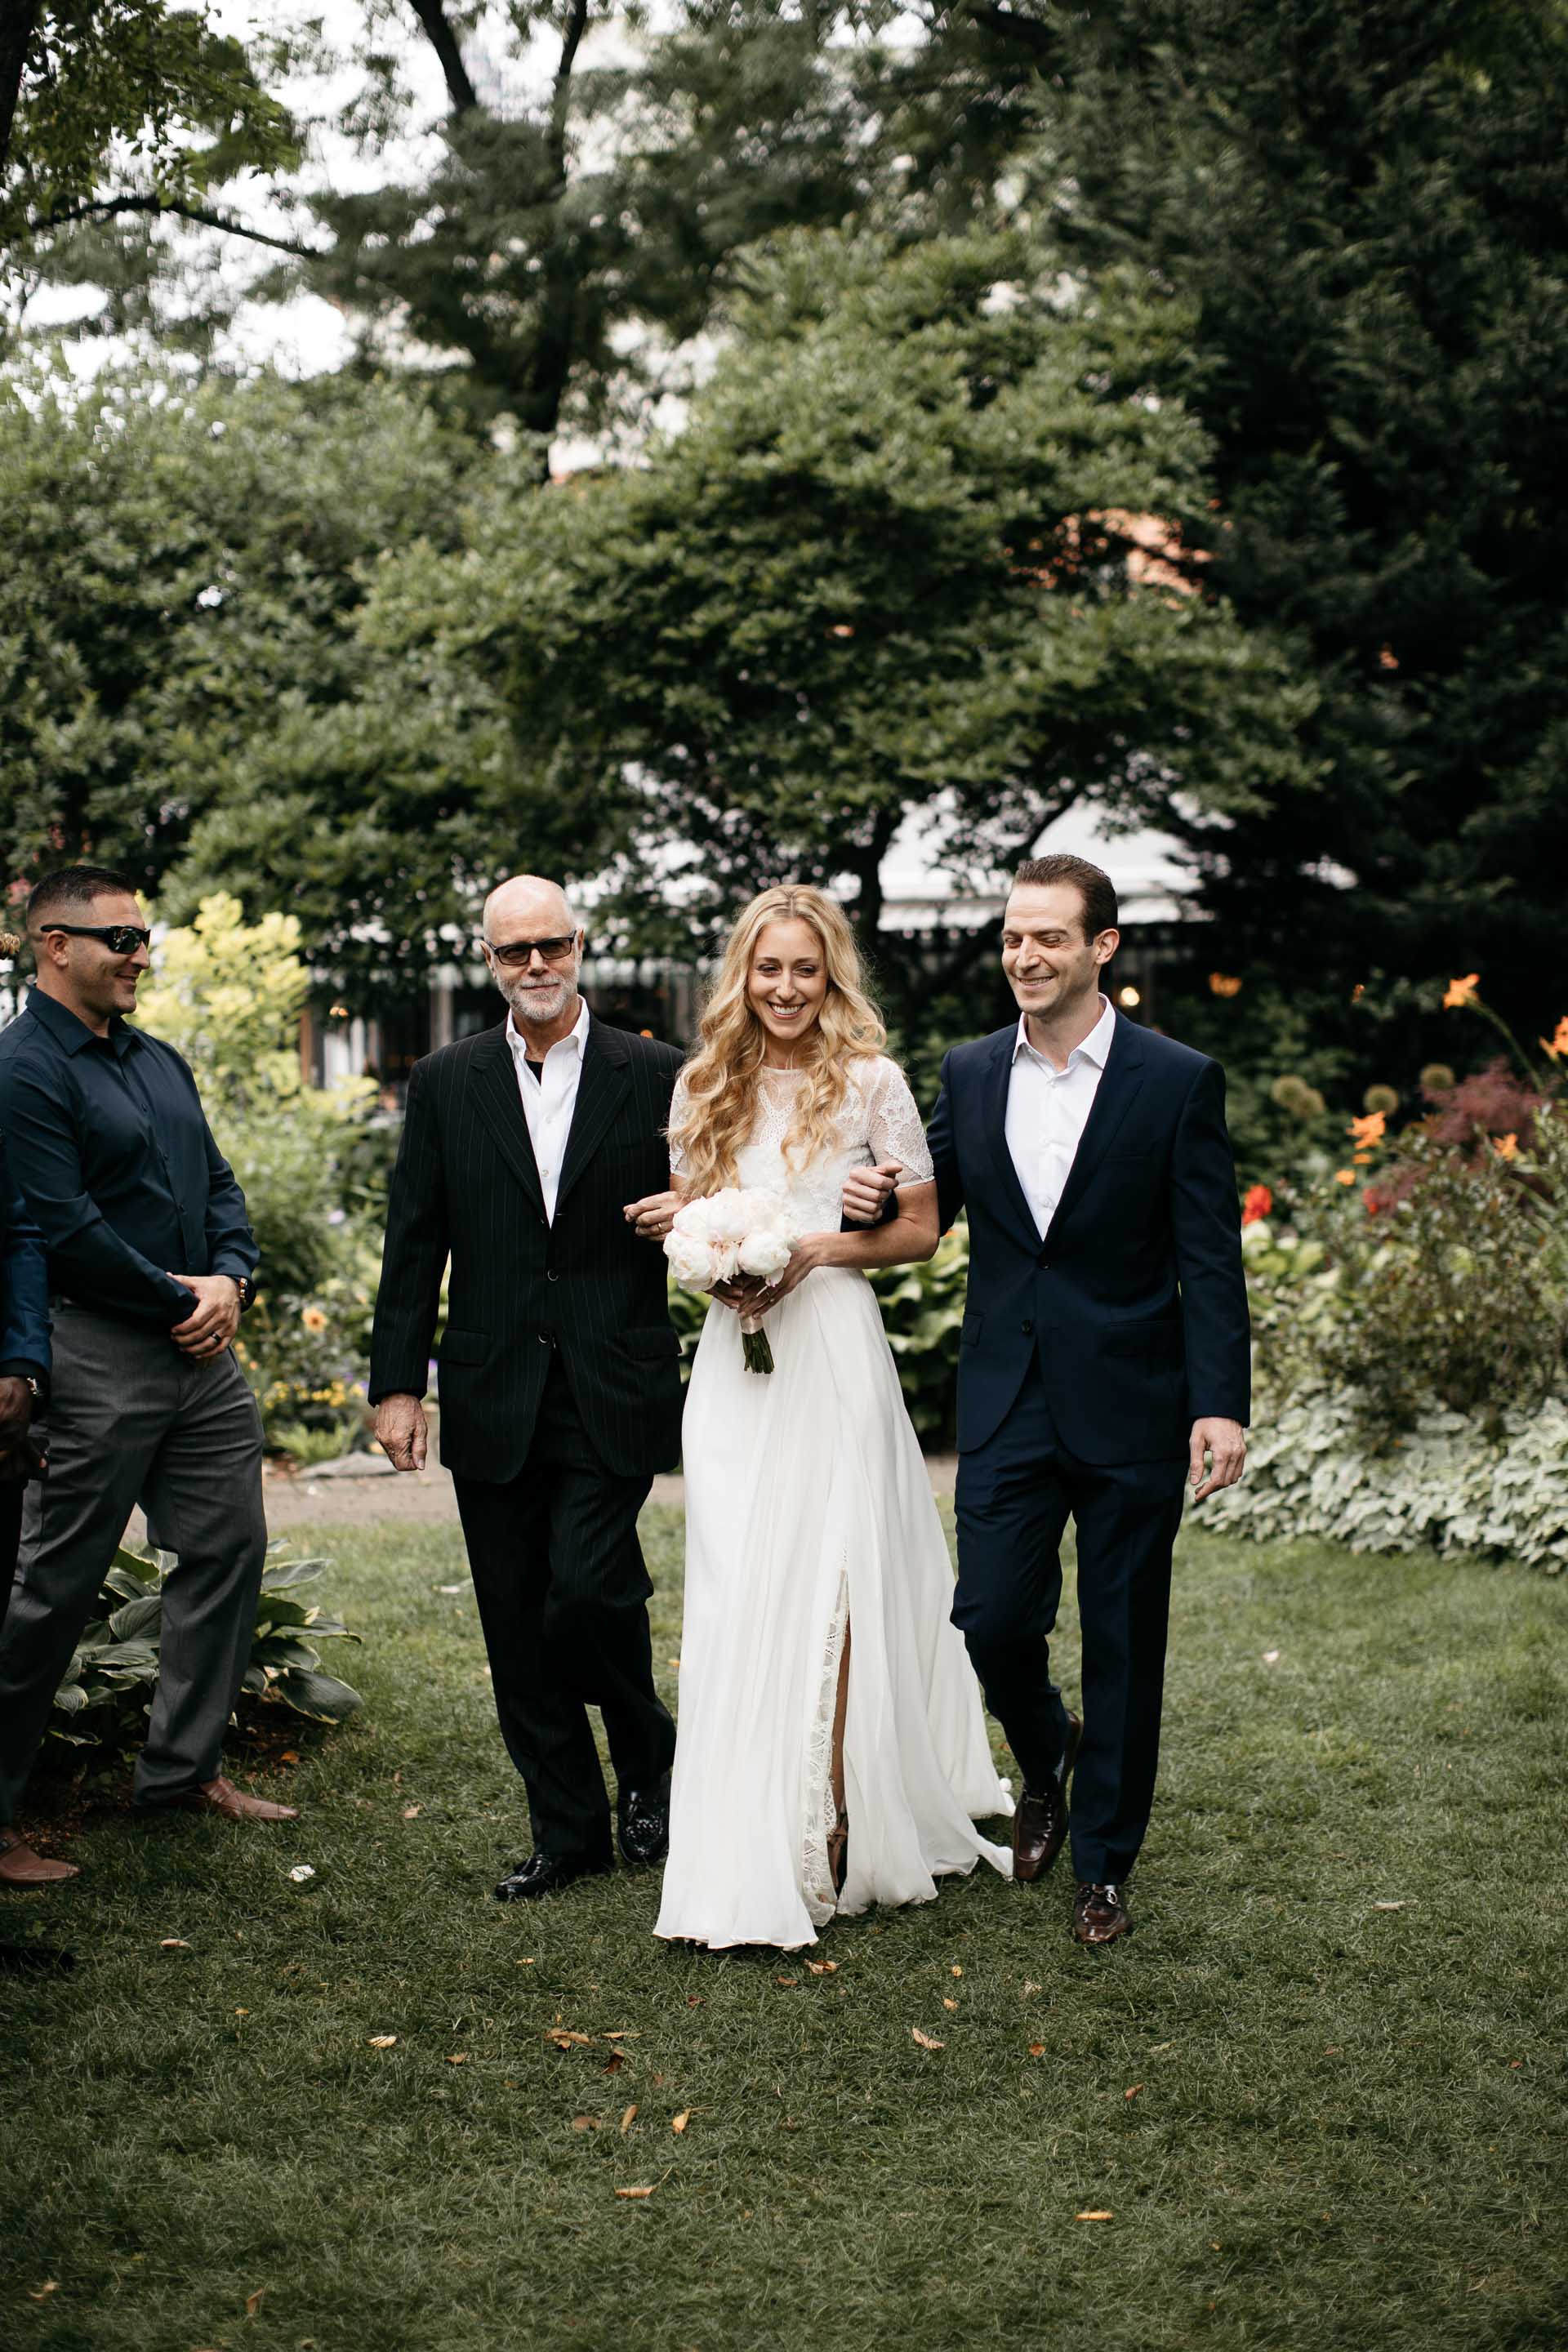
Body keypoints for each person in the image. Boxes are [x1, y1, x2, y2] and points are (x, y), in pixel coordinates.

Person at [844, 854, 1249, 1945]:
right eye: (1013, 937)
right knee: (990, 1617)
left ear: (1103, 948)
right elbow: (925, 1188)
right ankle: (1047, 1749)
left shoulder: (1176, 1079)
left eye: (1048, 938)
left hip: (1133, 1400)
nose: (1024, 956)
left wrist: (1222, 1404)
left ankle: (1105, 1865)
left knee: (1125, 1638)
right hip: (1009, 1395)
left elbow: (1210, 1258)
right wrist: (871, 1188)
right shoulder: (972, 1072)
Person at [629, 885, 1010, 1953]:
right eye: (768, 969)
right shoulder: (704, 1085)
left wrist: (817, 1250)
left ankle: (832, 1824)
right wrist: (721, 1276)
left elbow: (923, 1231)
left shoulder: (873, 1086)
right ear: (743, 978)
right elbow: (695, 1228)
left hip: (833, 1350)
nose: (787, 989)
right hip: (737, 1368)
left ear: (830, 974)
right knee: (745, 1587)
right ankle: (742, 1831)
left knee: (835, 1583)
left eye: (805, 969)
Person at [370, 876, 684, 1902]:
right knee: (514, 1619)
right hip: (493, 1384)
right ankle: (568, 1830)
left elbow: (729, 1195)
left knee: (588, 1592)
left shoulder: (659, 1074)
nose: (536, 966)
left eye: (552, 946)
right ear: (490, 960)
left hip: (612, 1376)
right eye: (515, 953)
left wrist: (696, 1208)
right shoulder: (446, 1080)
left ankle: (648, 1761)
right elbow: (414, 1241)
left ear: (582, 946)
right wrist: (396, 1389)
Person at [0, 866, 296, 1891]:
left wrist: (233, 1278)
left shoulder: (159, 1059)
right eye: (118, 938)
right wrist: (182, 1300)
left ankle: (180, 1772)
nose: (138, 954)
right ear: (53, 944)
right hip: (98, 1352)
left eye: (143, 936)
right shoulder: (23, 1070)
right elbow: (62, 1227)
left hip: (201, 1356)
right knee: (52, 1589)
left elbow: (216, 1180)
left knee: (227, 1549)